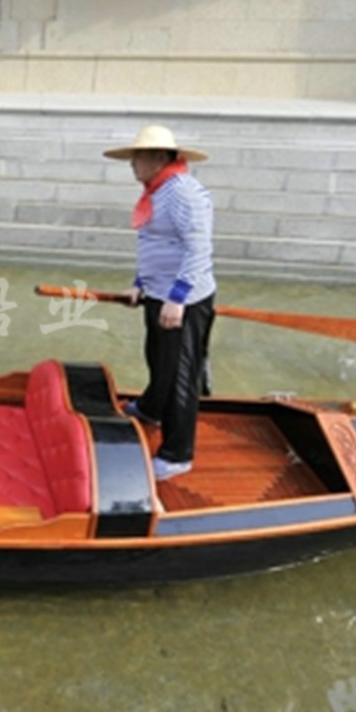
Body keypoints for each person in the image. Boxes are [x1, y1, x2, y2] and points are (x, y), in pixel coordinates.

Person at [102, 124, 216, 482]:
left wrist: (178, 298)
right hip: (159, 293)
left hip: (182, 299)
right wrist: (140, 284)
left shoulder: (183, 193)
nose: (132, 165)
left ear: (158, 158)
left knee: (181, 374)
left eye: (137, 158)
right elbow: (157, 246)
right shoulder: (158, 190)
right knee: (158, 358)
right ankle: (151, 408)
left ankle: (177, 454)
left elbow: (198, 248)